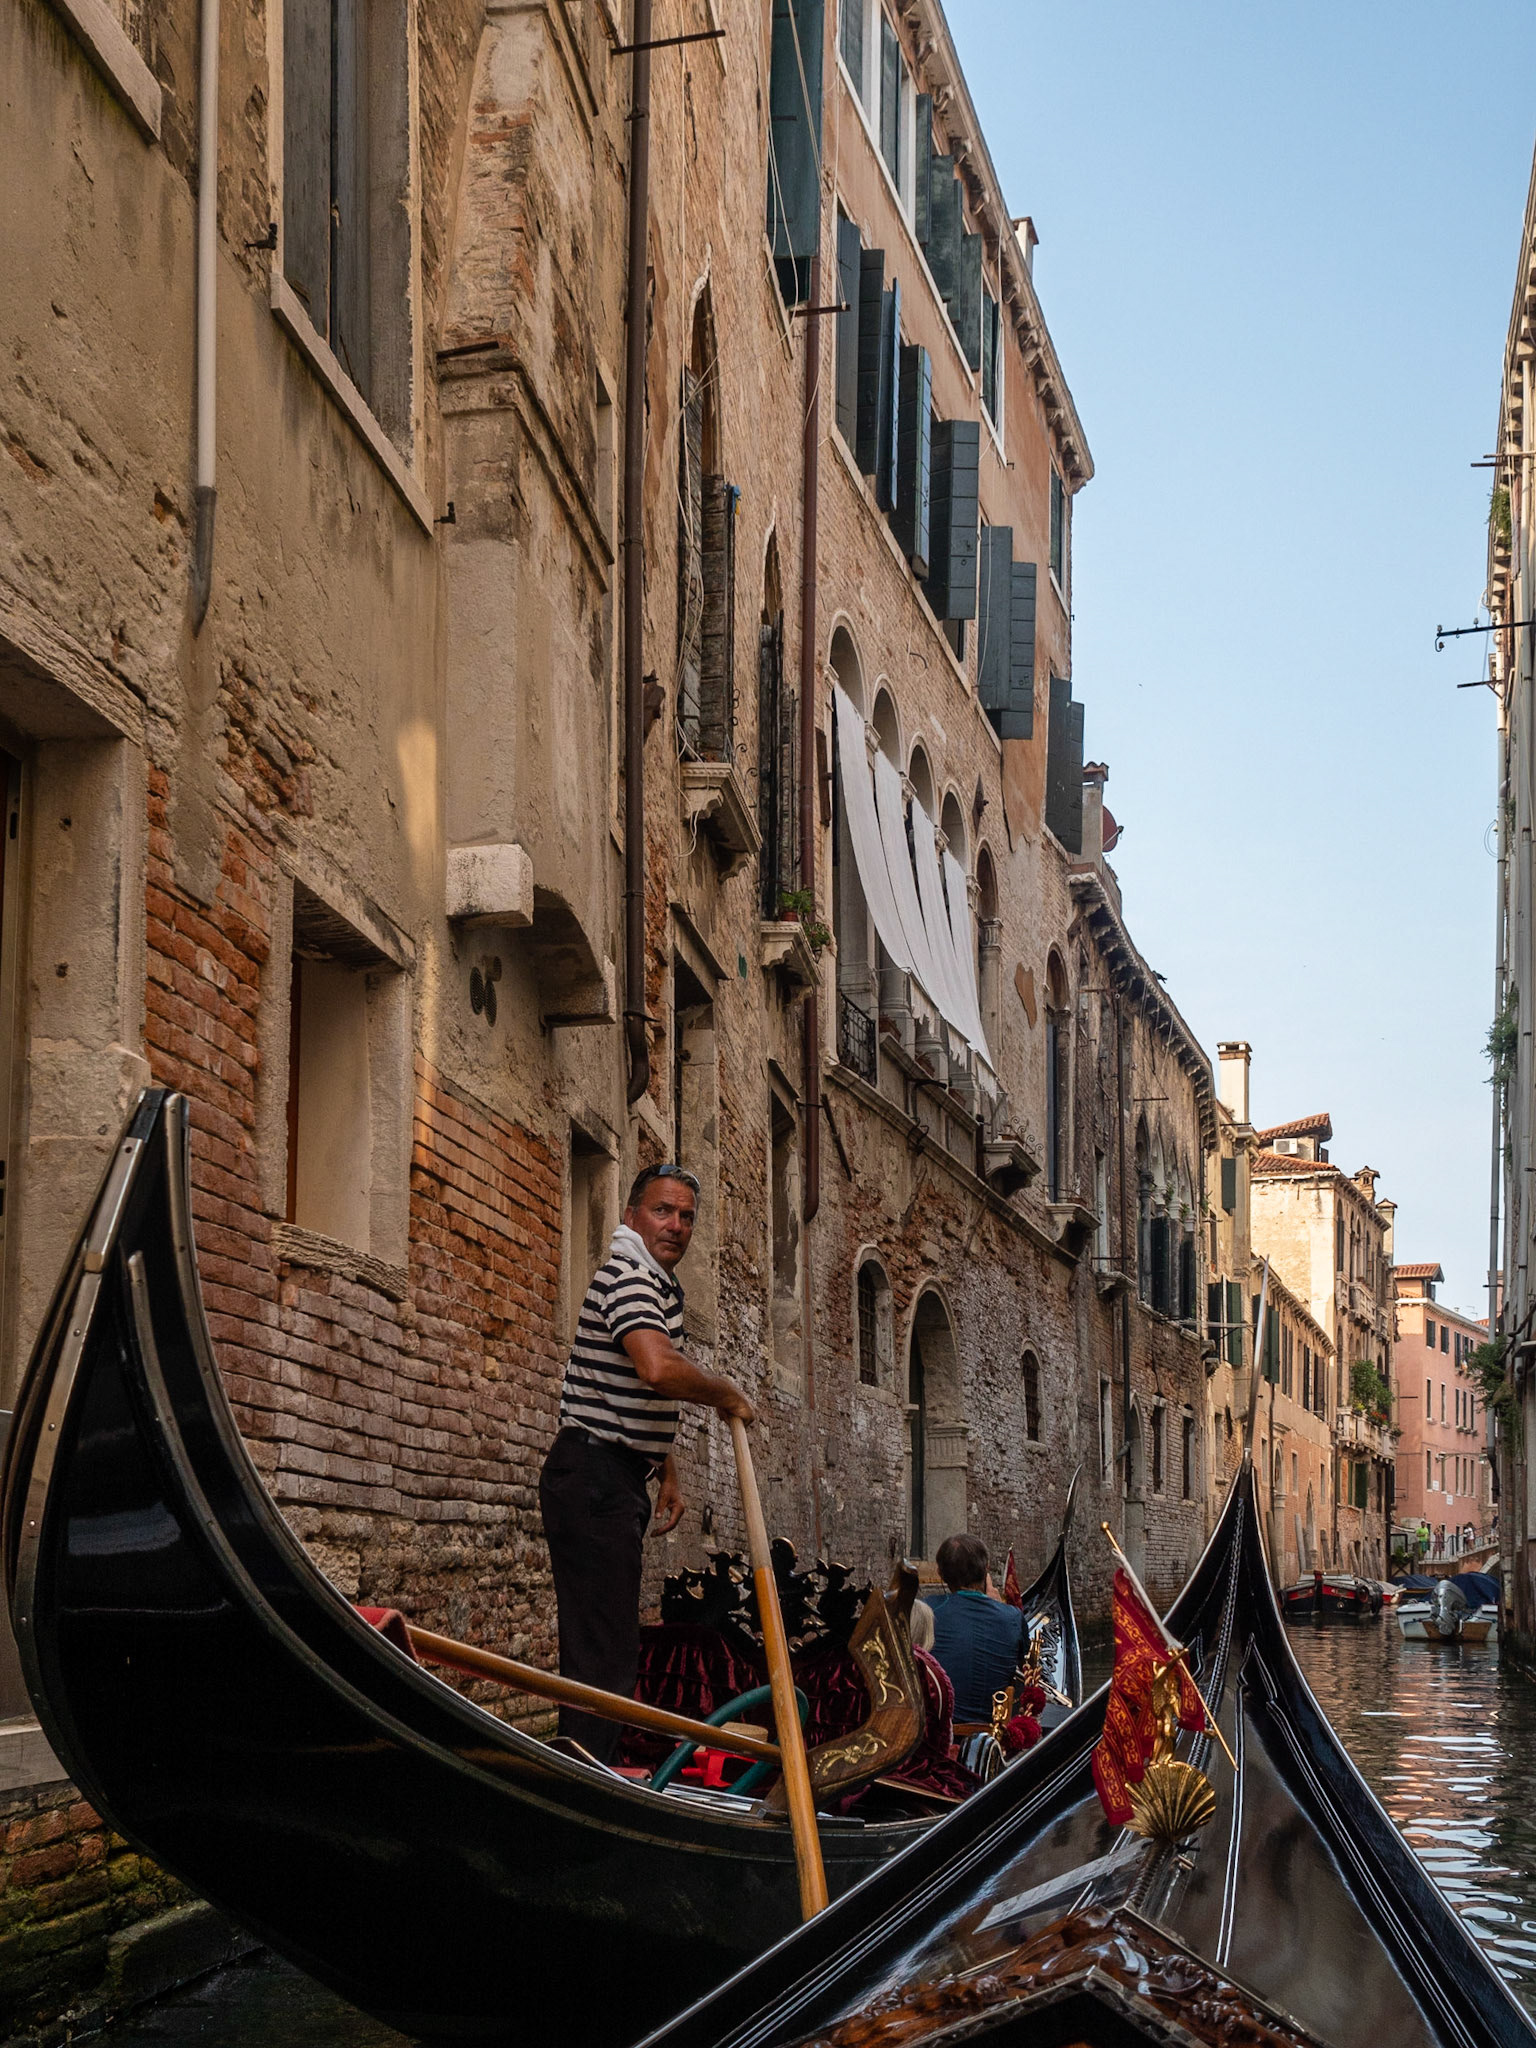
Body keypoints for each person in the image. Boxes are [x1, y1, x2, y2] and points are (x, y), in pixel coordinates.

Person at [538, 1162, 754, 1763]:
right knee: (603, 1650)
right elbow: (657, 1369)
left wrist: (667, 1469)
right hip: (594, 1477)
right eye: (663, 1211)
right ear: (632, 1215)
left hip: (609, 1475)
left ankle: (585, 1765)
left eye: (687, 1216)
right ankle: (584, 1774)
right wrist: (726, 1392)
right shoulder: (631, 1277)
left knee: (604, 1644)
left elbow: (638, 1393)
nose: (677, 1225)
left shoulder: (652, 1281)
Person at [927, 1532, 1026, 1725]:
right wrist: (1001, 1607)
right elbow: (1021, 1661)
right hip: (991, 1733)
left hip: (937, 1731)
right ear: (986, 1569)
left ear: (940, 1573)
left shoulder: (924, 1610)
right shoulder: (1012, 1616)